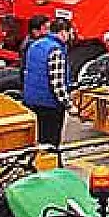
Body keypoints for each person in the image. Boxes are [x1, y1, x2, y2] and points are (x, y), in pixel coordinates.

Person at [22, 18, 72, 147]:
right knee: (50, 144)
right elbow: (57, 84)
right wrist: (68, 105)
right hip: (49, 105)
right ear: (63, 33)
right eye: (69, 32)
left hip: (31, 101)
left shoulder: (35, 45)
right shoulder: (55, 50)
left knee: (38, 140)